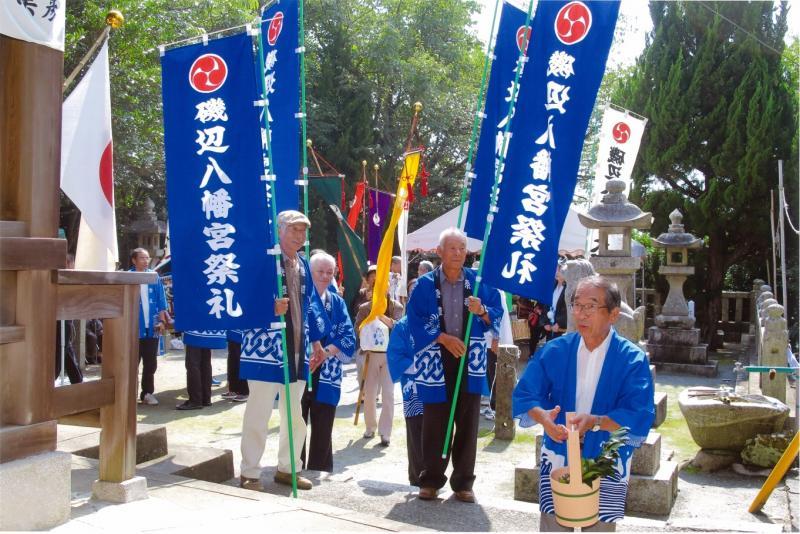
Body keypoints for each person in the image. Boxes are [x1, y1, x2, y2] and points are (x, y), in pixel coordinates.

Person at [512, 275, 655, 531]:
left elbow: (638, 412)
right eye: (577, 305)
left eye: (591, 306)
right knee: (554, 522)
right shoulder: (555, 351)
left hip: (606, 456)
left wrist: (596, 422)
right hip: (559, 451)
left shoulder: (632, 359)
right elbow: (525, 394)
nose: (581, 314)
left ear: (613, 315)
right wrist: (544, 418)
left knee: (599, 526)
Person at [405, 227, 502, 503]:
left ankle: (463, 482)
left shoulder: (478, 281)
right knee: (435, 420)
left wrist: (481, 310)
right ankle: (431, 479)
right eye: (452, 248)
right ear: (439, 252)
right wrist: (442, 337)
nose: (458, 253)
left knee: (468, 420)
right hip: (436, 356)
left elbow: (496, 312)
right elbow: (415, 319)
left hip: (470, 358)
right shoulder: (425, 284)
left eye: (462, 248)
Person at [238, 210, 330, 491]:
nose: (299, 236)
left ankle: (288, 468)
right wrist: (270, 307)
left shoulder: (302, 264)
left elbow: (312, 306)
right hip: (265, 349)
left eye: (302, 232)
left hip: (296, 349)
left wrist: (316, 341)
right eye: (293, 230)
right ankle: (250, 471)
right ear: (279, 231)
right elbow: (241, 299)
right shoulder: (263, 260)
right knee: (259, 411)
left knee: (294, 414)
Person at [300, 252, 356, 472]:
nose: (324, 276)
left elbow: (348, 336)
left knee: (324, 423)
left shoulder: (337, 302)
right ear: (309, 273)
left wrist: (325, 352)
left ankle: (320, 468)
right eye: (319, 272)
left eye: (329, 272)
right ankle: (294, 465)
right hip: (303, 366)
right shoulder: (301, 296)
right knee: (297, 420)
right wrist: (312, 353)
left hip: (328, 368)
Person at [355, 289, 404, 447]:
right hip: (370, 354)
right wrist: (369, 322)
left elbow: (399, 327)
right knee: (369, 393)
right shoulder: (364, 308)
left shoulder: (396, 306)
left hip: (389, 355)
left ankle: (385, 433)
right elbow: (357, 328)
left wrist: (381, 316)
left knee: (388, 394)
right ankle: (370, 427)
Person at [387, 316, 424, 486]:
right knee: (416, 434)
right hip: (413, 390)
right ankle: (417, 478)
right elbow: (395, 357)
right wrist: (422, 363)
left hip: (438, 389)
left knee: (436, 434)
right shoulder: (403, 325)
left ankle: (434, 478)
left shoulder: (438, 320)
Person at [130, 248, 168, 406]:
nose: (145, 261)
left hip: (151, 328)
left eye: (147, 258)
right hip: (133, 329)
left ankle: (147, 393)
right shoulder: (128, 277)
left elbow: (161, 301)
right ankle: (128, 393)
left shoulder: (154, 276)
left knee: (150, 363)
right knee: (132, 363)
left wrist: (161, 321)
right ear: (134, 260)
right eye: (142, 258)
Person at [177, 330, 226, 410]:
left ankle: (195, 400)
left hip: (194, 328)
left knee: (193, 364)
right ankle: (205, 398)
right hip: (207, 329)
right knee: (205, 363)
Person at [222, 330, 249, 402]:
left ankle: (244, 391)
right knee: (232, 361)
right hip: (232, 330)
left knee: (239, 360)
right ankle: (233, 389)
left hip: (242, 331)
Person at [543, 265, 567, 341]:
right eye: (556, 270)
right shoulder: (552, 287)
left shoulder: (568, 288)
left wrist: (560, 323)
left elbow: (567, 308)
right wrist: (545, 322)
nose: (557, 273)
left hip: (560, 328)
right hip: (550, 326)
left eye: (559, 271)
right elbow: (546, 305)